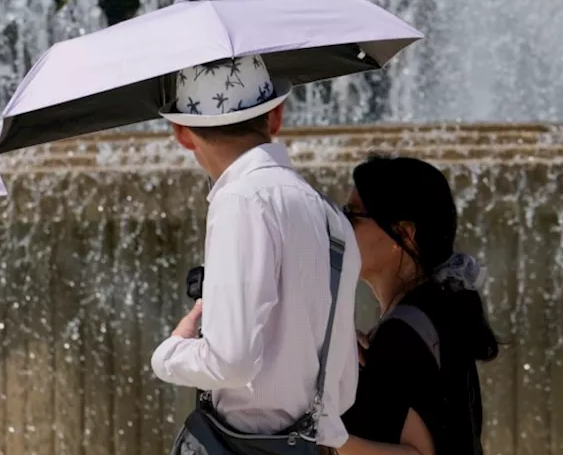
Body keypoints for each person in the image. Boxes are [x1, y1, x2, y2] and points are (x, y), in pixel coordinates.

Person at [150, 54, 363, 452]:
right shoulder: (331, 216)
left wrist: (171, 352)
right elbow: (343, 388)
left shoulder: (241, 201)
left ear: (180, 132)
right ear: (277, 117)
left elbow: (232, 360)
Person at [337, 155, 500, 455]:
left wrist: (327, 439)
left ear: (403, 234)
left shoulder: (405, 331)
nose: (342, 225)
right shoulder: (433, 312)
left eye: (352, 215)